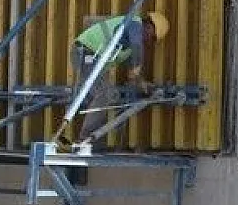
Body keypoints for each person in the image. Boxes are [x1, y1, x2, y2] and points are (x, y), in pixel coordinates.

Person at [69, 11, 169, 142]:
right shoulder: (134, 23)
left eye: (153, 40)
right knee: (105, 94)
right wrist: (138, 68)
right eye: (152, 36)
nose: (149, 40)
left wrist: (142, 83)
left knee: (112, 96)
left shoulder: (128, 47)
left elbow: (132, 72)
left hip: (91, 59)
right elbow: (137, 48)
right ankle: (84, 140)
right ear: (149, 25)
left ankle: (92, 138)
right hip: (85, 54)